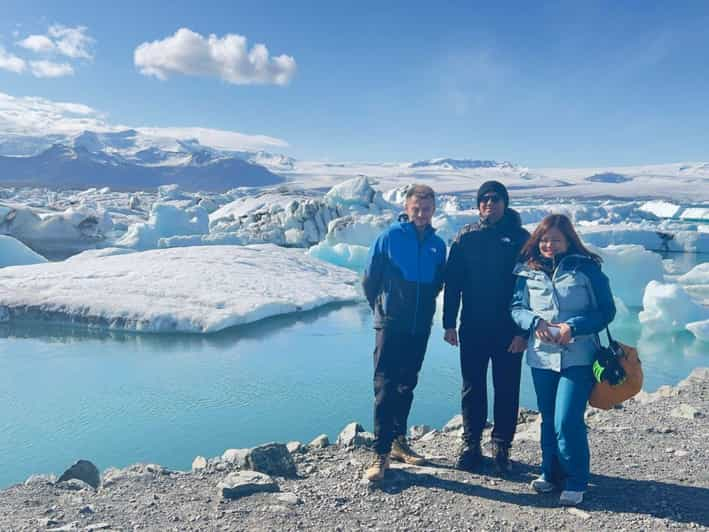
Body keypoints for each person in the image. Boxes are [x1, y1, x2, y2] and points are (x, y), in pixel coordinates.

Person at [510, 213, 616, 506]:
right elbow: (517, 307)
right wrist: (534, 322)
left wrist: (574, 327)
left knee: (567, 420)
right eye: (544, 239)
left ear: (568, 240)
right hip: (542, 357)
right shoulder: (527, 271)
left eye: (555, 239)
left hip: (579, 356)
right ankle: (550, 473)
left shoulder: (587, 269)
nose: (549, 245)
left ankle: (576, 480)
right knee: (548, 419)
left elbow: (606, 311)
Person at [443, 181, 530, 474]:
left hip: (509, 329)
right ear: (478, 204)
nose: (489, 204)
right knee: (472, 387)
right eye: (484, 199)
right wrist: (448, 323)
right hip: (473, 326)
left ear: (505, 203)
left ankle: (502, 445)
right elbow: (452, 283)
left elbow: (531, 287)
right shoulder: (466, 237)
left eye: (495, 199)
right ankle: (471, 444)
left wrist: (524, 332)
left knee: (507, 388)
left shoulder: (521, 239)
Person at [362, 184, 446, 481]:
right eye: (416, 209)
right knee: (385, 386)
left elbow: (438, 284)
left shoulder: (438, 244)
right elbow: (370, 279)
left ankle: (399, 442)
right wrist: (382, 310)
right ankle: (380, 454)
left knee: (407, 384)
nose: (421, 214)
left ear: (433, 210)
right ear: (407, 209)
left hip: (419, 325)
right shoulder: (390, 237)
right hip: (391, 323)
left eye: (426, 209)